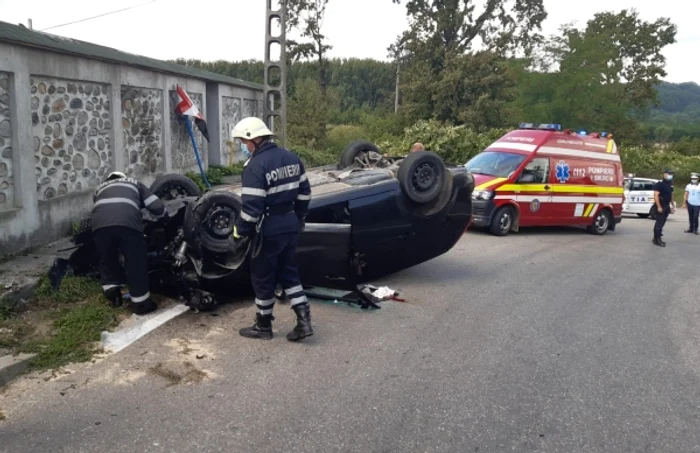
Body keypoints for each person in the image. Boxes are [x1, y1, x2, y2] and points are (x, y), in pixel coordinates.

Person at [230, 117, 313, 341]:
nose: (243, 147)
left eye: (244, 142)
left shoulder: (255, 167)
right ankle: (304, 321)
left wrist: (239, 231)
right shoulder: (292, 158)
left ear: (254, 139)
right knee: (289, 273)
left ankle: (263, 325)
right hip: (290, 224)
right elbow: (305, 193)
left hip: (267, 229)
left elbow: (252, 209)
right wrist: (299, 218)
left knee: (263, 277)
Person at [91, 171, 165, 314]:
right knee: (135, 261)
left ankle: (114, 298)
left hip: (99, 227)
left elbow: (102, 207)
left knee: (108, 259)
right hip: (128, 224)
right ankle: (141, 304)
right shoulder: (134, 183)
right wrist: (164, 217)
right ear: (124, 177)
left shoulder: (99, 188)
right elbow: (155, 205)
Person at [652, 169, 676, 247]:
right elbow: (656, 196)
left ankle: (656, 237)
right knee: (659, 223)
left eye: (671, 174)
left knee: (662, 223)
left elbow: (671, 196)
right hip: (661, 205)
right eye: (669, 174)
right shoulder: (659, 184)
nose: (670, 175)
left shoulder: (670, 184)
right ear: (665, 174)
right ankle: (657, 239)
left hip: (666, 205)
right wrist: (659, 206)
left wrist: (672, 206)